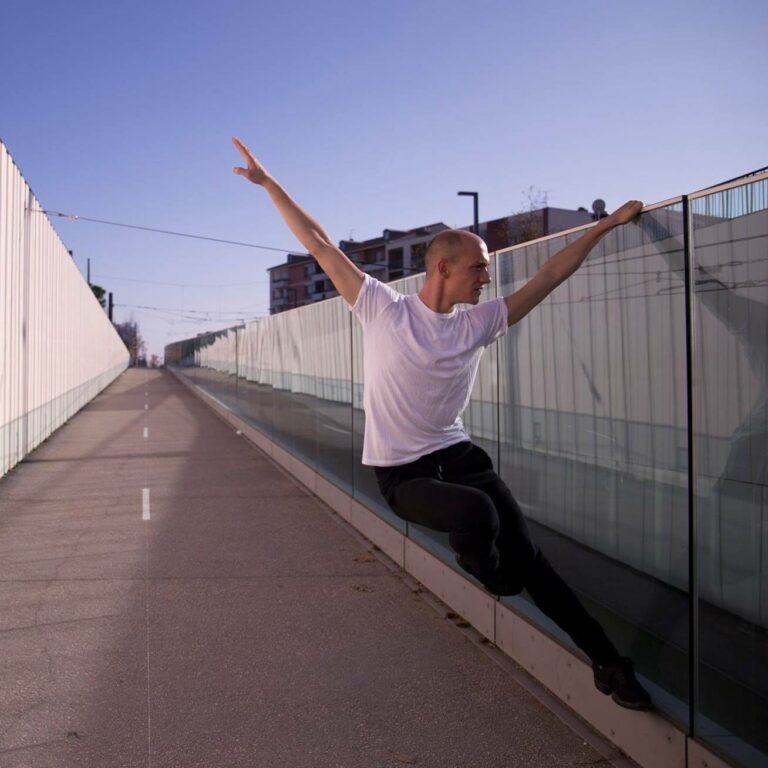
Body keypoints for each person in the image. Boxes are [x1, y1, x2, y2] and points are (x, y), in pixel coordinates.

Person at [232, 136, 652, 710]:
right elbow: (319, 243)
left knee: (534, 564)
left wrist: (605, 226)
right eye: (479, 268)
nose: (486, 279)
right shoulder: (381, 308)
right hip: (403, 474)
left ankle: (609, 663)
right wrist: (268, 184)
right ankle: (490, 573)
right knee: (479, 519)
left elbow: (550, 275)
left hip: (459, 458)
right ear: (443, 267)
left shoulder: (477, 323)